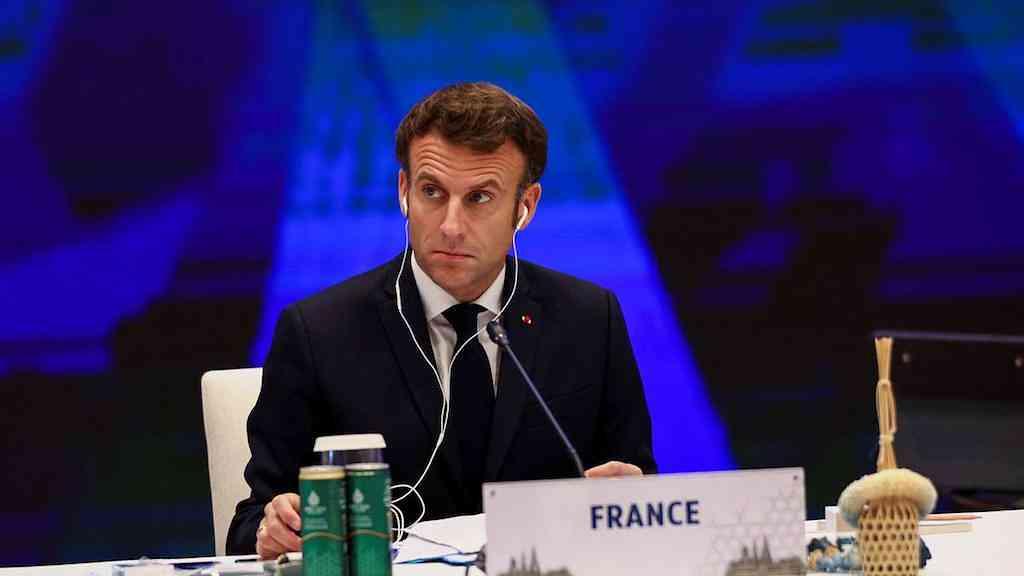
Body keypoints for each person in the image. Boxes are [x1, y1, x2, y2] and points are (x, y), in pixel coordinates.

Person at [227, 82, 656, 558]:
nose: (450, 226)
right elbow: (249, 525)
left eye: (479, 198)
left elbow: (638, 489)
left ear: (526, 207)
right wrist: (274, 529)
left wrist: (631, 501)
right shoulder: (319, 332)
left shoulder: (590, 320)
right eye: (432, 192)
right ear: (404, 191)